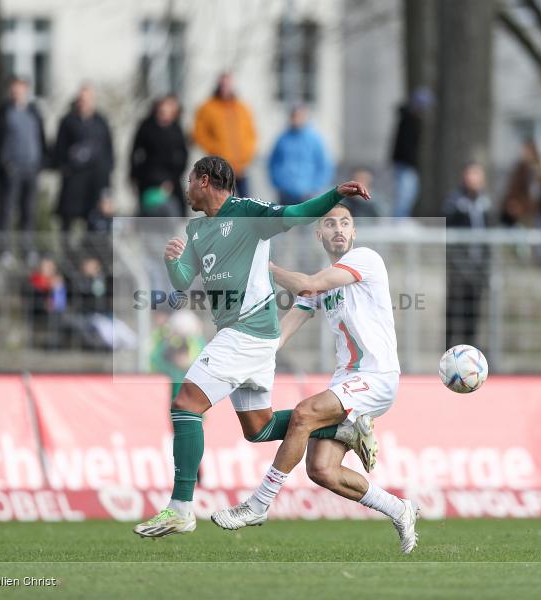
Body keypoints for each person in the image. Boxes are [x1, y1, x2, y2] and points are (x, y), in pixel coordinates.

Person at [133, 156, 374, 538]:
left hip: (248, 331)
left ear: (206, 181)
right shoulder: (197, 230)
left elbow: (296, 213)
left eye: (190, 180)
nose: (186, 188)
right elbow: (182, 282)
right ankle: (339, 427)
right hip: (246, 337)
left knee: (185, 405)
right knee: (258, 429)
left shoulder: (247, 213)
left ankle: (180, 508)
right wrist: (171, 262)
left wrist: (334, 195)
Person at [210, 203, 418, 554]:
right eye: (330, 223)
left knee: (304, 414)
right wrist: (246, 356)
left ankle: (258, 505)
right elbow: (284, 330)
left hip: (377, 376)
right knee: (321, 469)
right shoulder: (324, 282)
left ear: (354, 233)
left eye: (346, 223)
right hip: (347, 380)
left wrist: (265, 265)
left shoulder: (365, 259)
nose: (339, 228)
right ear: (318, 233)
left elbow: (306, 283)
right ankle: (399, 509)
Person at [0, 75, 48, 267]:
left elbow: (41, 139)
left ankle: (26, 249)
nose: (17, 92)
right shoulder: (2, 112)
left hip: (31, 168)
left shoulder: (34, 113)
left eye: (20, 88)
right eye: (14, 88)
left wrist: (41, 163)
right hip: (11, 169)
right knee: (6, 209)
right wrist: (3, 163)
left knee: (28, 211)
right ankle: (3, 249)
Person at [53, 84, 114, 243]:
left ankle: (89, 262)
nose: (83, 103)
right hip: (73, 181)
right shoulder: (67, 122)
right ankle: (66, 259)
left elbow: (108, 155)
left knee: (93, 223)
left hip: (95, 182)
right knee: (67, 222)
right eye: (81, 100)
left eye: (87, 100)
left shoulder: (101, 123)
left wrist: (106, 192)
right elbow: (59, 151)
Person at [443, 163, 491, 350]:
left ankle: (471, 353)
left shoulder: (485, 203)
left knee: (474, 313)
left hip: (478, 267)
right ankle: (449, 352)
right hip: (459, 268)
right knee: (454, 312)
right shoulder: (455, 202)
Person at [192, 73, 257, 198]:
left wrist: (248, 153)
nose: (225, 88)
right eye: (223, 84)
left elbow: (251, 133)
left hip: (241, 167)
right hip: (219, 168)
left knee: (246, 206)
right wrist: (215, 149)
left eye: (228, 84)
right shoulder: (207, 108)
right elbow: (199, 134)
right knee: (221, 205)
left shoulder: (242, 108)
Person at [129, 95, 188, 218]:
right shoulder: (146, 127)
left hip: (172, 181)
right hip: (149, 181)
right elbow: (136, 153)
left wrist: (171, 181)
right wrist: (134, 175)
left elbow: (182, 156)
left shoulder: (176, 130)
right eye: (162, 111)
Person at [268, 105, 333, 205]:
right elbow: (273, 163)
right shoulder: (283, 138)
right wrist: (279, 183)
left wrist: (315, 188)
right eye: (294, 116)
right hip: (285, 193)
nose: (296, 120)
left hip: (307, 194)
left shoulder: (314, 139)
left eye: (300, 116)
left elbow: (324, 165)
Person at [390, 88, 431, 218]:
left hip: (407, 163)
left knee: (409, 191)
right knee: (405, 192)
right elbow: (406, 145)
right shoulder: (409, 120)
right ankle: (399, 219)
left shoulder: (411, 119)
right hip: (405, 163)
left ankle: (402, 217)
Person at [499, 139, 539, 228]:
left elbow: (534, 194)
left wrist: (521, 206)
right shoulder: (520, 167)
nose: (523, 153)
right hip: (515, 213)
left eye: (526, 150)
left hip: (526, 214)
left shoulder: (534, 170)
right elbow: (513, 188)